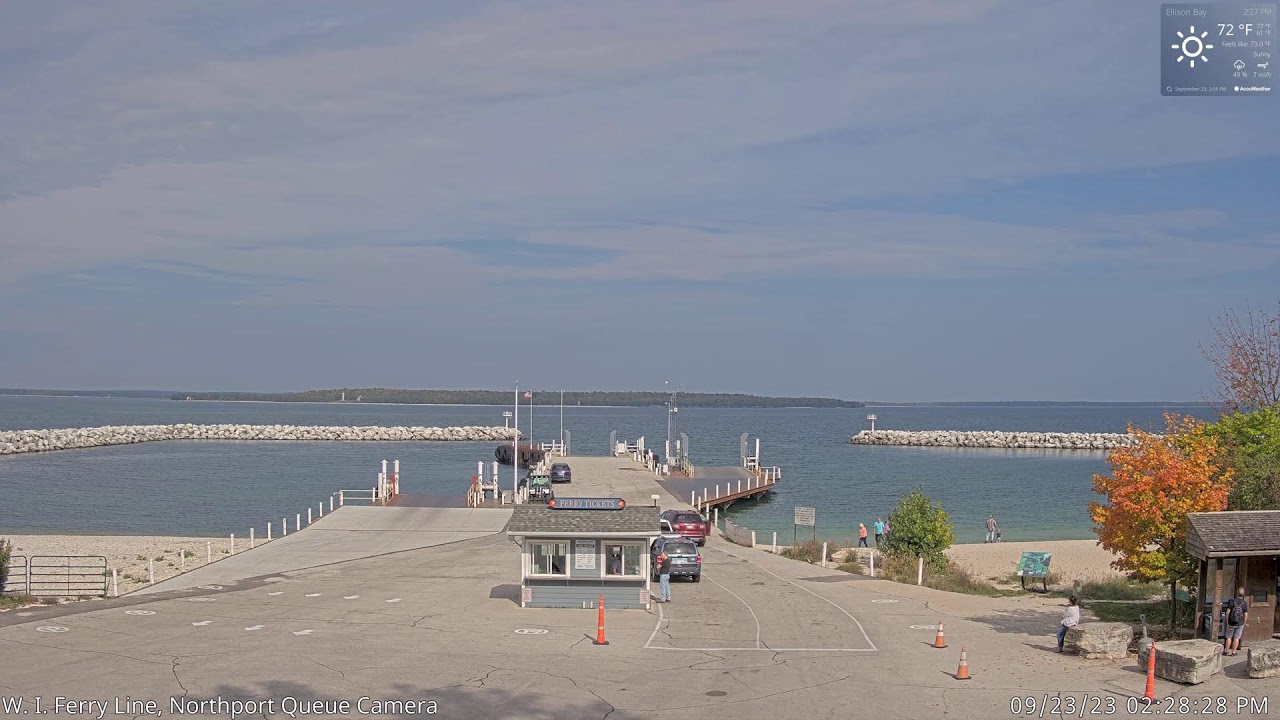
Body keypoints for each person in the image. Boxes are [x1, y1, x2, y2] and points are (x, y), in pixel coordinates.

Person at [1224, 587, 1249, 656]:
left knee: (1229, 636)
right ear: (1243, 594)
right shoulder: (1244, 603)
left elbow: (1228, 612)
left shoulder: (1232, 601)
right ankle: (1234, 652)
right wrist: (1244, 623)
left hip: (1231, 622)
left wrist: (1227, 620)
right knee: (1236, 637)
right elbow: (1246, 614)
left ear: (1237, 593)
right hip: (1240, 623)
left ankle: (1226, 651)